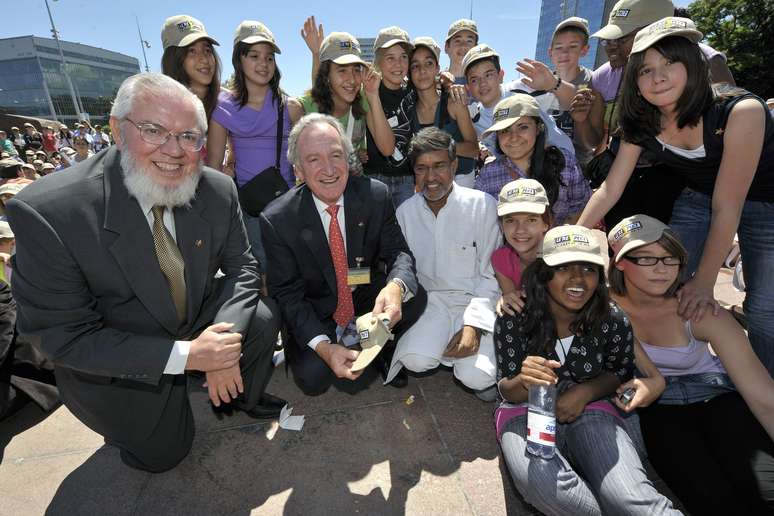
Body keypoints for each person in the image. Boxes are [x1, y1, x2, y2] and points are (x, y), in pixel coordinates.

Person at [6, 73, 284, 473]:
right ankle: (142, 417)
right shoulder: (49, 213)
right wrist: (187, 355)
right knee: (165, 455)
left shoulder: (218, 189)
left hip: (192, 317)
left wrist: (222, 344)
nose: (174, 150)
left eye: (189, 136)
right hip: (119, 348)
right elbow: (61, 337)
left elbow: (243, 269)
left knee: (259, 315)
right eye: (153, 130)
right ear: (117, 130)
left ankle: (236, 392)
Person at [578, 17, 774, 375]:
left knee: (764, 309)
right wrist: (572, 235)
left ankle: (762, 386)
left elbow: (727, 206)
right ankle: (675, 367)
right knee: (661, 275)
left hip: (765, 203)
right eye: (646, 70)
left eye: (670, 63)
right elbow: (611, 187)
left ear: (694, 65)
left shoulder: (741, 111)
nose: (658, 78)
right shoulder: (642, 120)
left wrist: (705, 283)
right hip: (700, 194)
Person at [495, 224, 680, 515]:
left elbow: (620, 370)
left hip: (593, 408)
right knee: (544, 487)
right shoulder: (515, 317)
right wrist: (524, 380)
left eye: (588, 269)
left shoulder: (611, 318)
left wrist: (585, 392)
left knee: (629, 499)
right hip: (526, 412)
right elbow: (506, 390)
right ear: (543, 273)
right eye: (564, 267)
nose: (578, 279)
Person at [607, 214, 774, 515]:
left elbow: (763, 397)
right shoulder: (602, 308)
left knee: (767, 492)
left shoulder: (695, 307)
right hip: (660, 409)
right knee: (712, 501)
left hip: (717, 399)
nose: (661, 269)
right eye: (647, 259)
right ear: (619, 262)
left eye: (670, 259)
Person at [260, 113, 427, 396]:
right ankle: (340, 343)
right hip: (316, 305)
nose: (329, 169)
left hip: (362, 291)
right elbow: (287, 293)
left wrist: (396, 286)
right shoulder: (277, 219)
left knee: (415, 296)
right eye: (314, 160)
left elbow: (399, 252)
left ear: (347, 159)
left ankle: (381, 348)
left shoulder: (375, 194)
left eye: (336, 155)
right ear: (297, 170)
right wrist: (324, 348)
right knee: (313, 380)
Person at [385, 127, 500, 398]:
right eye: (422, 169)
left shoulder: (482, 205)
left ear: (455, 165)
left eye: (439, 166)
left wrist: (474, 326)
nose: (431, 178)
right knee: (415, 360)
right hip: (430, 303)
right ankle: (442, 349)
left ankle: (477, 363)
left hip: (473, 301)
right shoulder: (405, 212)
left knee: (478, 378)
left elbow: (491, 275)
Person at [206, 21, 301, 269]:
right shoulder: (222, 108)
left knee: (293, 273)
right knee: (262, 276)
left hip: (287, 207)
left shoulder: (290, 107)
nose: (264, 64)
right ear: (239, 59)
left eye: (269, 58)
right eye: (255, 56)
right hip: (249, 212)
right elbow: (214, 166)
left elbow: (305, 159)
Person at [475, 94, 590, 225]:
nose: (514, 137)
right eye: (504, 130)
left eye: (523, 127)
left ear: (538, 128)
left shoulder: (565, 163)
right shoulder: (487, 176)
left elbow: (580, 209)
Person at [297, 29, 394, 169]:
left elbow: (387, 149)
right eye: (342, 70)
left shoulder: (363, 99)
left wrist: (373, 95)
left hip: (353, 184)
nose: (352, 79)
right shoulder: (304, 107)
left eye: (356, 69)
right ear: (326, 75)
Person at [462, 44, 574, 160]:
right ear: (468, 87)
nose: (482, 83)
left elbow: (573, 103)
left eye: (488, 75)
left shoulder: (524, 87)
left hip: (563, 162)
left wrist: (553, 83)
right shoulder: (474, 118)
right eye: (474, 79)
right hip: (523, 175)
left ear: (501, 76)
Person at [408, 37, 478, 187]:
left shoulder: (454, 101)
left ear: (437, 68)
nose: (422, 71)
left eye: (429, 63)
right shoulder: (409, 108)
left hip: (461, 179)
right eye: (415, 66)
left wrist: (442, 146)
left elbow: (474, 149)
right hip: (430, 183)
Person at [491, 178, 551, 317]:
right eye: (511, 220)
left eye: (531, 220)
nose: (520, 230)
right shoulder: (501, 259)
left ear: (546, 223)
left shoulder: (561, 255)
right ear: (502, 225)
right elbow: (513, 299)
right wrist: (509, 299)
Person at [161, 14, 221, 121]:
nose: (204, 59)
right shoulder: (159, 111)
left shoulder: (231, 104)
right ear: (173, 59)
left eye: (207, 50)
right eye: (191, 51)